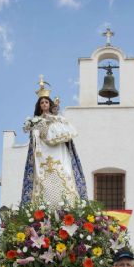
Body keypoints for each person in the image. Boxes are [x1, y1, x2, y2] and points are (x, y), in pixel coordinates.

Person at [21, 78, 87, 206]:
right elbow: (34, 140)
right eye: (42, 103)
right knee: (42, 178)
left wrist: (53, 122)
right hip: (42, 155)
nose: (44, 104)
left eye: (46, 102)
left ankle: (68, 203)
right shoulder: (35, 121)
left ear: (50, 104)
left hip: (59, 153)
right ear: (39, 106)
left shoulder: (58, 119)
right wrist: (35, 129)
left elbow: (66, 134)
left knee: (64, 172)